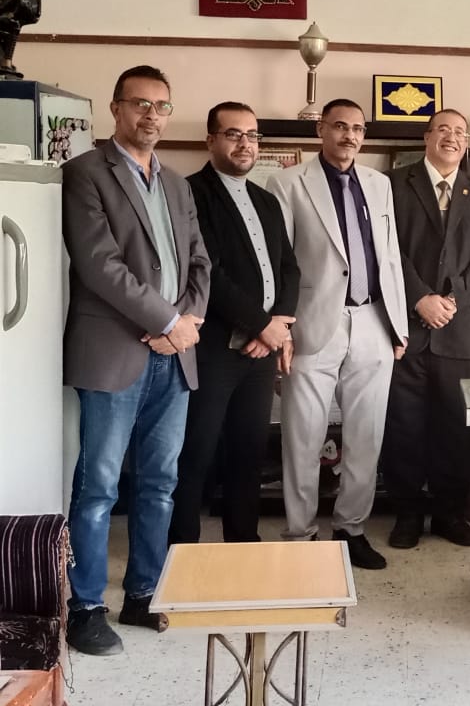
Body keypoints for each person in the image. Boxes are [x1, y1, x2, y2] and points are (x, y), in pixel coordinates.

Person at [61, 65, 210, 656]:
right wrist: (168, 323)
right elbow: (99, 265)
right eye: (140, 103)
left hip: (175, 358)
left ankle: (144, 593)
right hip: (114, 353)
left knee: (160, 483)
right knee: (98, 486)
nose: (151, 115)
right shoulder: (85, 173)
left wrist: (184, 324)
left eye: (161, 106)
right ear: (116, 108)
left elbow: (199, 263)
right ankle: (85, 607)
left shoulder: (176, 183)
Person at [265, 99, 408, 569]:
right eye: (340, 126)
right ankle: (300, 535)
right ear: (321, 130)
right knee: (303, 436)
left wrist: (398, 325)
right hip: (311, 322)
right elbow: (279, 262)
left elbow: (390, 257)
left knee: (366, 436)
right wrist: (283, 327)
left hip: (372, 321)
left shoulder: (379, 184)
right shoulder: (288, 183)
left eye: (358, 129)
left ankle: (351, 529)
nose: (350, 136)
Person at [169, 102, 299, 546]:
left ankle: (243, 543)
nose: (246, 144)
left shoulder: (266, 199)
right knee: (196, 453)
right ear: (211, 140)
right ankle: (181, 548)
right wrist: (263, 325)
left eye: (252, 135)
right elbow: (210, 274)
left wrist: (278, 325)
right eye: (233, 134)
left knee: (249, 454)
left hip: (260, 353)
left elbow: (289, 269)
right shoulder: (190, 194)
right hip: (213, 350)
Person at [384, 108, 470, 550]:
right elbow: (386, 249)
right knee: (404, 427)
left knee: (456, 430)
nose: (452, 137)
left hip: (462, 328)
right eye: (443, 130)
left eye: (460, 133)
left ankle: (449, 514)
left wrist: (453, 299)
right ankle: (407, 514)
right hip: (406, 328)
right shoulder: (391, 184)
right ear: (427, 136)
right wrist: (420, 297)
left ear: (466, 143)